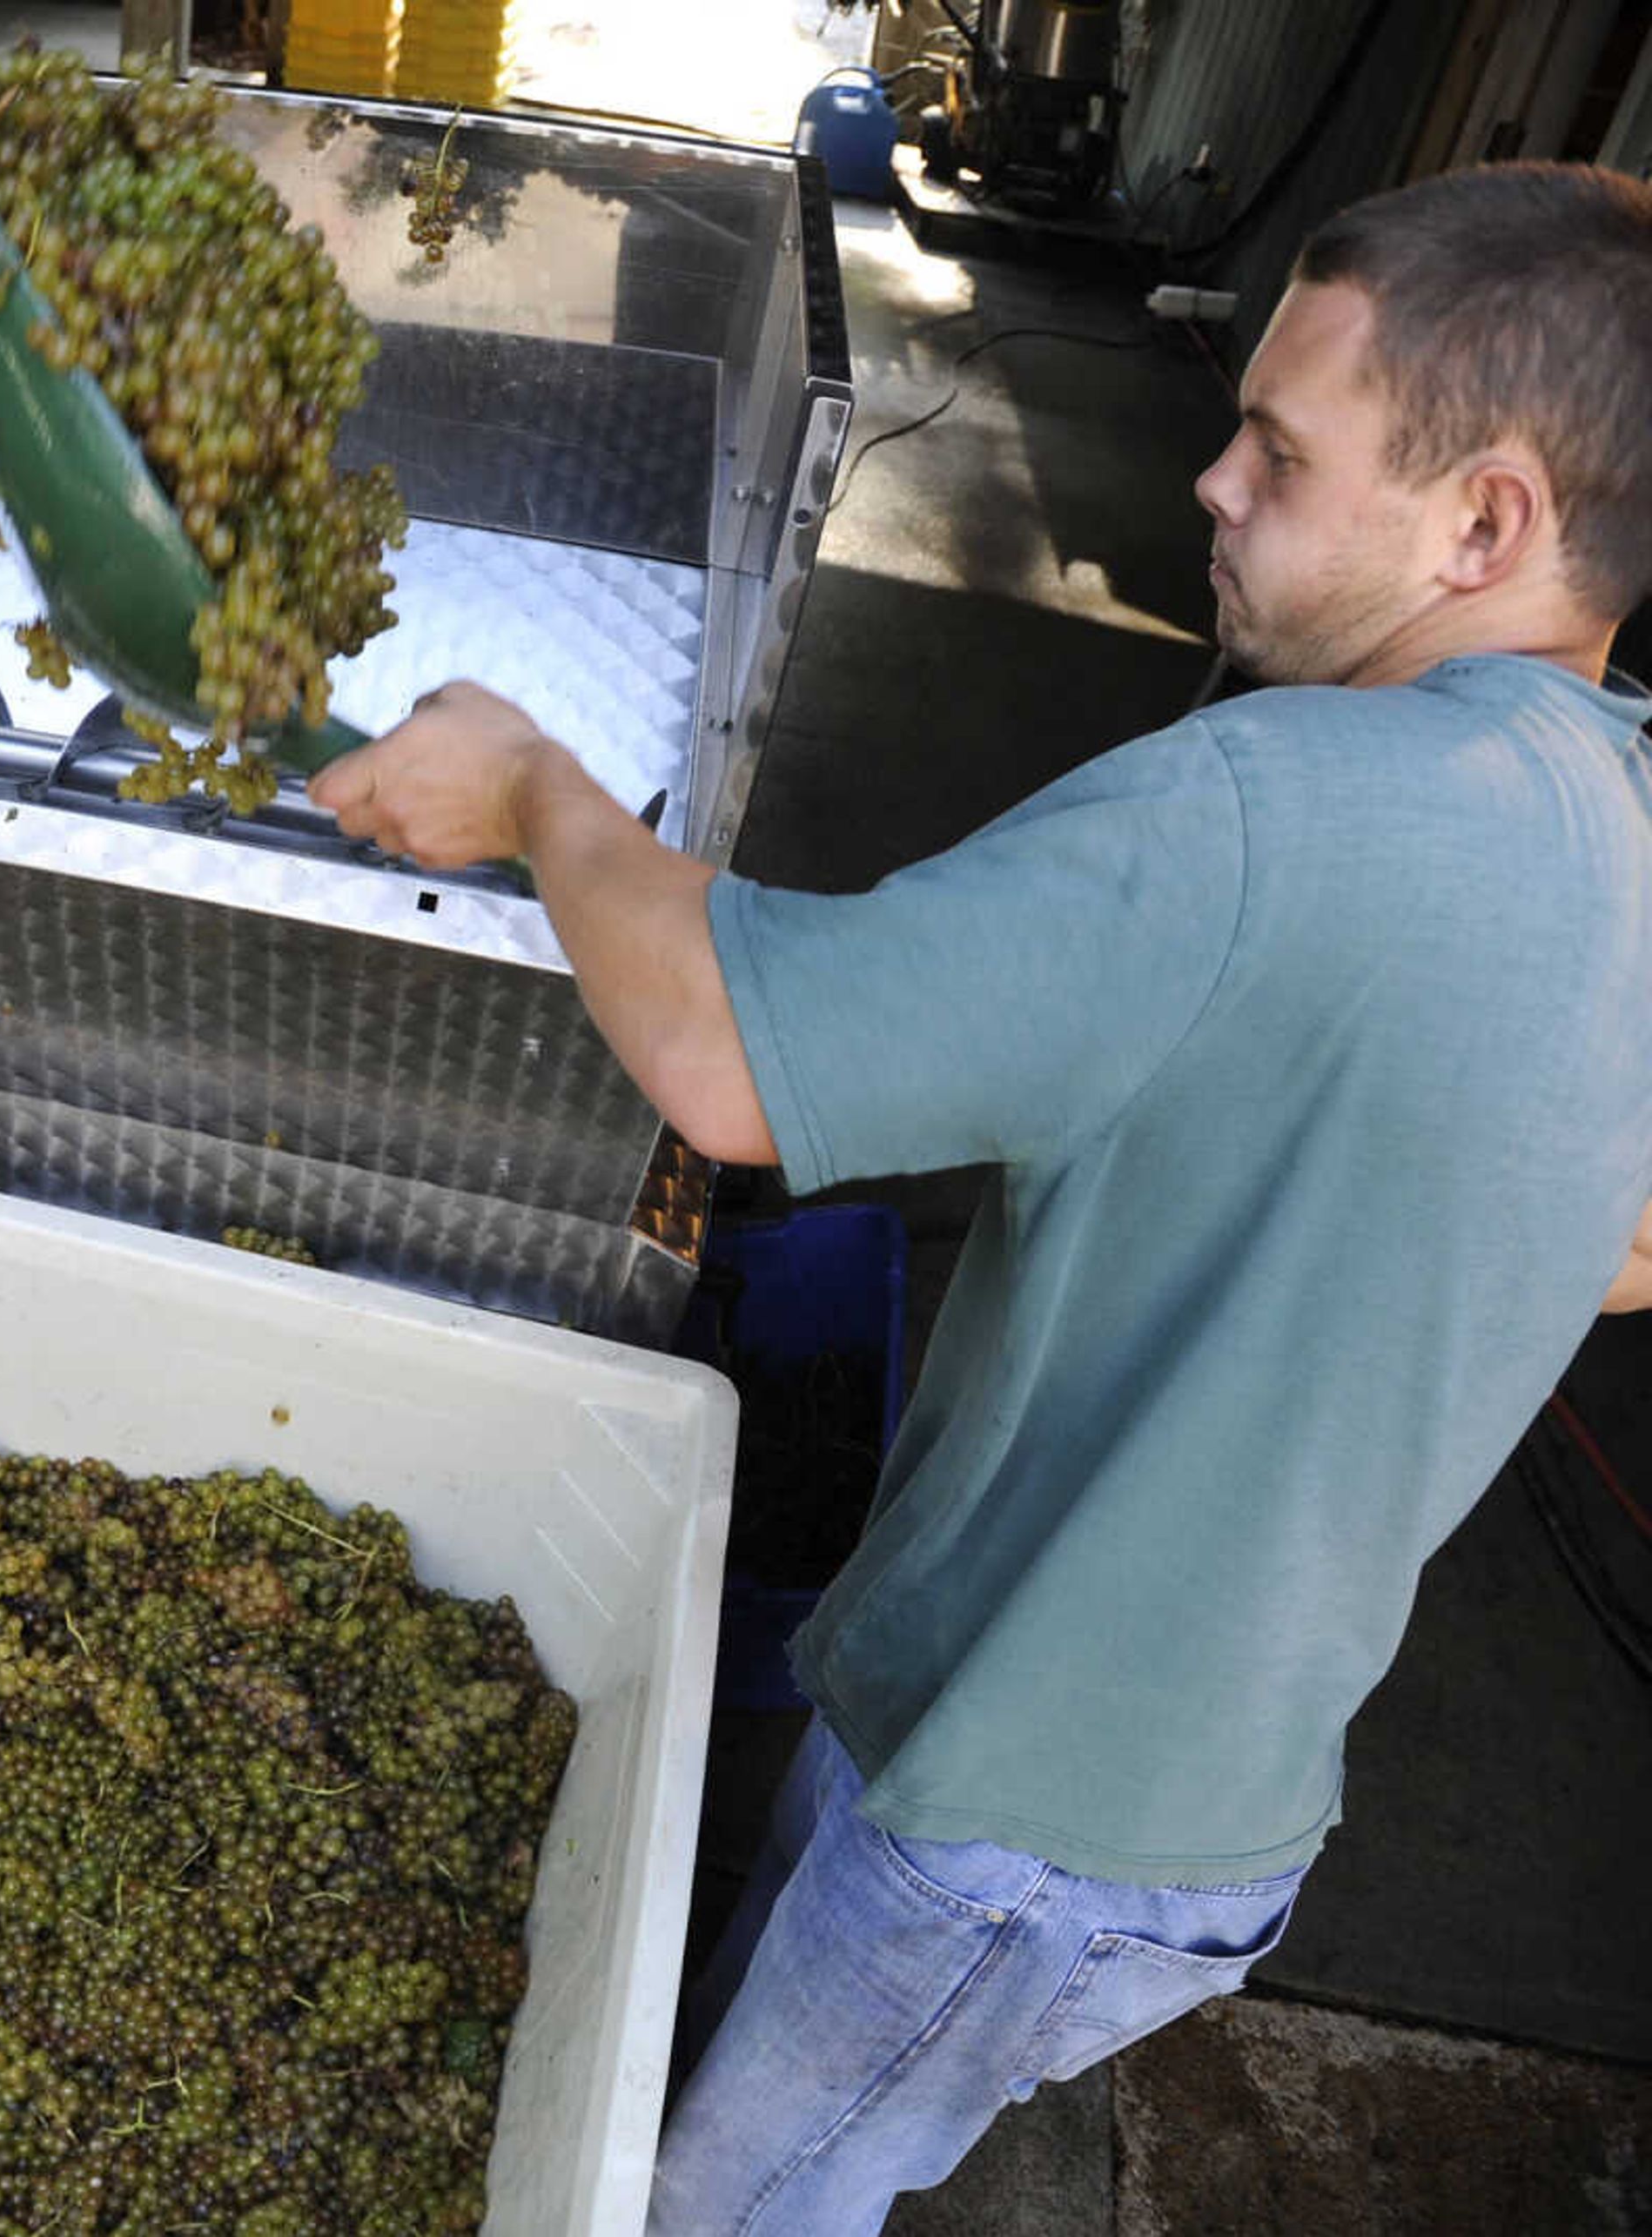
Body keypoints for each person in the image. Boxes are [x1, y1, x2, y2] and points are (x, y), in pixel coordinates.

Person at [309, 160, 1652, 2232]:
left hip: (1011, 1817)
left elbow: (731, 1059)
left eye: (1280, 455)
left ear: (1485, 521)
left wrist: (532, 797)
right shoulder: (1619, 812)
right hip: (1210, 1817)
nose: (1206, 479)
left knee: (718, 2210)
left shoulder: (1262, 811)